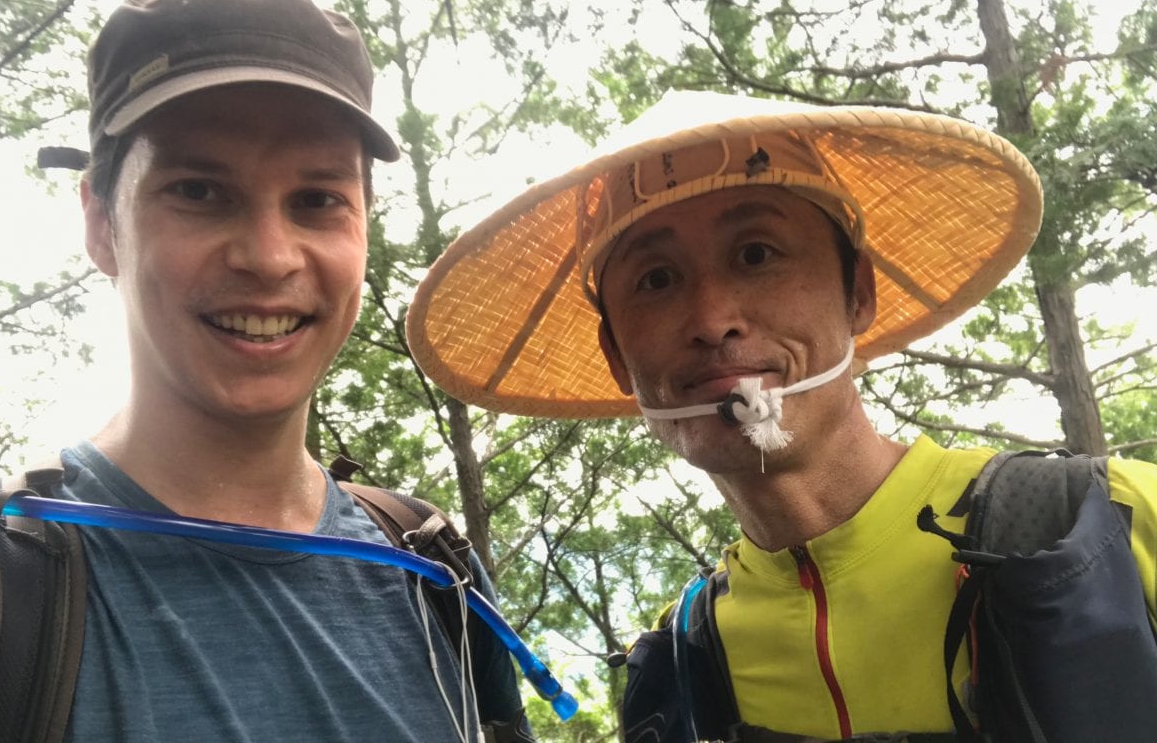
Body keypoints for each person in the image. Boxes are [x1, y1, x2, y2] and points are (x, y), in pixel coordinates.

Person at [405, 90, 1157, 741]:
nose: (712, 320)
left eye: (757, 254)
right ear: (616, 356)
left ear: (857, 292)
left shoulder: (1110, 527)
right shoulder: (682, 670)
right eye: (657, 279)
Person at [0, 0, 532, 741]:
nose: (269, 257)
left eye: (317, 199)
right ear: (100, 223)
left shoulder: (433, 573)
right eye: (199, 191)